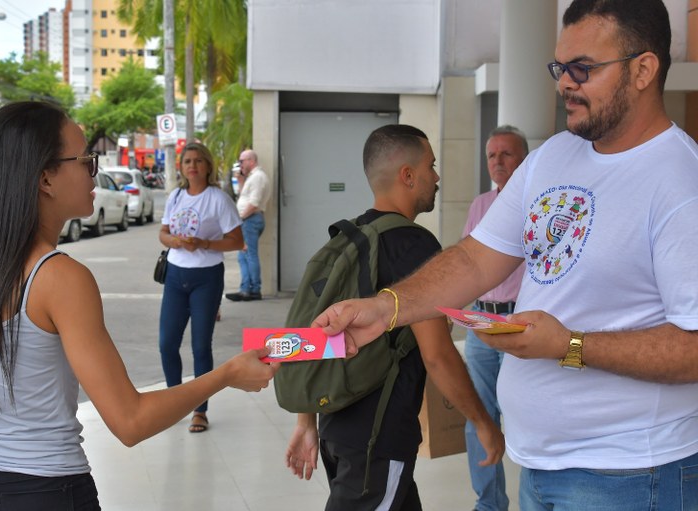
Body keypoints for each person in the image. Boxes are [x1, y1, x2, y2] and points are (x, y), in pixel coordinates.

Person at [312, 1, 698, 509]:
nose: (564, 83)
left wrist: (570, 345)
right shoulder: (554, 156)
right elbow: (474, 260)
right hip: (538, 464)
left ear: (644, 69)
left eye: (583, 68)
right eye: (559, 67)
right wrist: (386, 308)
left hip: (630, 472)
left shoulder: (680, 182)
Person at [0, 101, 278, 510]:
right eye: (86, 161)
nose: (95, 173)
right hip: (43, 493)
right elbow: (130, 421)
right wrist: (227, 374)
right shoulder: (59, 278)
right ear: (45, 178)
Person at [285, 124, 504, 510]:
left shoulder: (349, 237)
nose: (436, 177)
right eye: (431, 166)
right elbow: (437, 355)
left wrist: (307, 422)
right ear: (408, 175)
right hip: (377, 440)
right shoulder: (415, 246)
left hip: (338, 424)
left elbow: (313, 333)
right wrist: (483, 423)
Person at [461, 125, 527, 511]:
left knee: (531, 414)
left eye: (507, 154)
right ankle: (489, 504)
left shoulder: (541, 205)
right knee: (479, 417)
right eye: (492, 155)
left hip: (522, 324)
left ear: (524, 159)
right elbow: (468, 263)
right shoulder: (480, 204)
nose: (498, 161)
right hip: (482, 325)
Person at [158, 142, 245, 433]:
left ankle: (200, 410)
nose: (192, 166)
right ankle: (173, 400)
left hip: (206, 277)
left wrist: (204, 243)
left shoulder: (218, 199)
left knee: (199, 345)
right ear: (181, 168)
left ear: (207, 166)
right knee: (167, 342)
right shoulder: (176, 196)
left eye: (198, 161)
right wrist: (175, 242)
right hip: (175, 274)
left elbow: (237, 241)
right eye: (187, 161)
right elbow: (164, 232)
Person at [225, 149, 271, 302]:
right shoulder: (253, 177)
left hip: (250, 220)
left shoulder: (258, 177)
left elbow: (254, 203)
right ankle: (246, 289)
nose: (240, 164)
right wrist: (240, 180)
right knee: (243, 256)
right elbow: (245, 196)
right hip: (248, 220)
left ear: (251, 161)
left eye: (242, 161)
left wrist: (240, 219)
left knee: (249, 255)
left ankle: (253, 290)